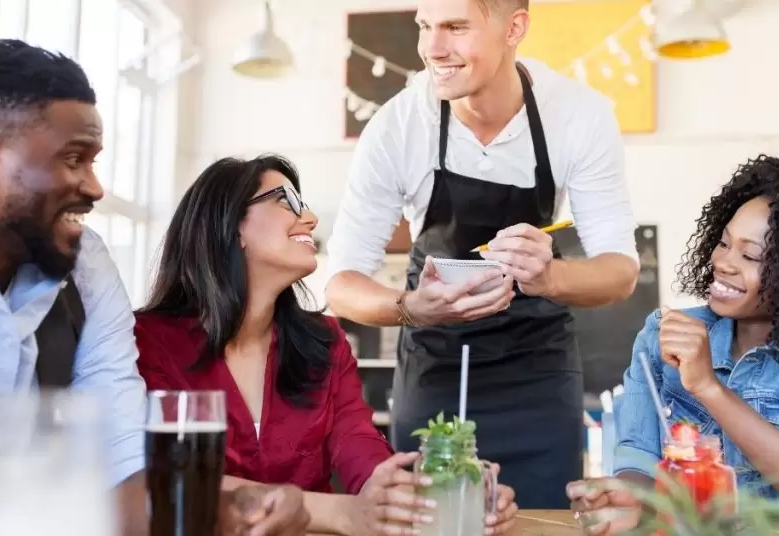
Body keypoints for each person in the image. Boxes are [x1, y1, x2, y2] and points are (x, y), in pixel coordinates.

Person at [0, 39, 307, 536]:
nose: (94, 187)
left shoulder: (86, 266)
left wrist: (227, 509)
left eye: (94, 160)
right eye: (73, 159)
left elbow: (121, 458)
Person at [324, 0, 639, 509]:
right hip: (435, 363)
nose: (432, 48)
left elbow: (621, 272)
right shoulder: (399, 125)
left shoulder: (578, 115)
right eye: (425, 26)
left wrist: (550, 277)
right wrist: (409, 308)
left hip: (536, 368)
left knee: (542, 516)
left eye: (455, 27)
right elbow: (339, 283)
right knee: (432, 516)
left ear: (514, 28)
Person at [134, 155, 518, 536]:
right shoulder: (145, 342)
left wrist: (421, 497)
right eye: (286, 201)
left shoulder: (325, 342)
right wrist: (340, 512)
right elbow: (156, 477)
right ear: (233, 225)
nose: (311, 218)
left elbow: (359, 444)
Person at [568, 155, 779, 533]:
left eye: (750, 255)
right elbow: (638, 458)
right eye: (724, 243)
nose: (724, 262)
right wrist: (629, 498)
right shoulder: (662, 334)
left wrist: (709, 388)